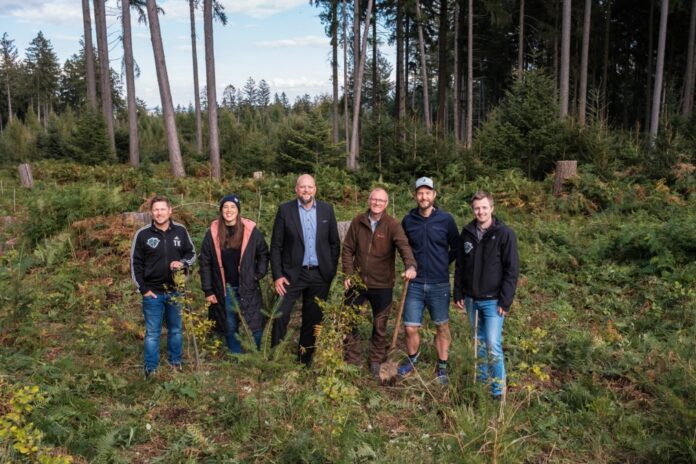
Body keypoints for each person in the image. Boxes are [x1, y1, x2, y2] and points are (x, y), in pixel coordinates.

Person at [342, 187, 418, 378]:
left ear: (386, 204)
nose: (376, 203)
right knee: (350, 321)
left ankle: (375, 360)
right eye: (374, 199)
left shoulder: (392, 225)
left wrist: (410, 266)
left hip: (382, 284)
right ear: (369, 201)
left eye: (381, 201)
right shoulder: (358, 221)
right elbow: (348, 249)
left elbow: (403, 246)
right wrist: (349, 274)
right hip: (357, 283)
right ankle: (353, 359)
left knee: (380, 323)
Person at [454, 191, 519, 399]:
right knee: (478, 345)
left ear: (492, 208)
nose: (480, 211)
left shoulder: (503, 234)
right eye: (476, 208)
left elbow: (512, 269)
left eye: (484, 207)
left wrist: (505, 300)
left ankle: (498, 390)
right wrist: (459, 293)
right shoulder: (467, 232)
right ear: (473, 210)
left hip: (493, 302)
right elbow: (460, 267)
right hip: (472, 299)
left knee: (492, 344)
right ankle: (480, 385)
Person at [270, 174, 340, 365]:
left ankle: (304, 359)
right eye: (303, 187)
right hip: (292, 274)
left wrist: (330, 269)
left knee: (313, 318)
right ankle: (274, 357)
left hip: (319, 274)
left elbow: (334, 243)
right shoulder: (285, 210)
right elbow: (276, 246)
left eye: (310, 187)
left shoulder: (327, 210)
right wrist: (277, 276)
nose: (306, 190)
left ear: (315, 189)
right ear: (296, 189)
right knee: (280, 314)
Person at [399, 177, 459, 384]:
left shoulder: (446, 220)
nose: (423, 197)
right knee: (410, 327)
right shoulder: (408, 221)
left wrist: (443, 262)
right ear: (415, 196)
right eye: (420, 193)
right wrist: (408, 266)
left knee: (441, 326)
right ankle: (413, 360)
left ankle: (442, 366)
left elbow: (457, 247)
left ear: (434, 195)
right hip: (414, 284)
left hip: (439, 283)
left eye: (427, 193)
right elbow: (402, 246)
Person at [131, 195, 196, 377]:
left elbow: (191, 254)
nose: (159, 213)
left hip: (176, 291)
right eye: (156, 210)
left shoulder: (181, 231)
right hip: (153, 293)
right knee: (153, 333)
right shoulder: (143, 235)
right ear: (151, 213)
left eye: (162, 209)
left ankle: (175, 362)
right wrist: (143, 289)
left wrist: (182, 263)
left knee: (175, 329)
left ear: (170, 211)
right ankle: (151, 368)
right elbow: (135, 264)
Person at [199, 194, 269, 353]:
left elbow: (263, 253)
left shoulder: (250, 231)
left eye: (232, 207)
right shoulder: (212, 233)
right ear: (221, 210)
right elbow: (205, 262)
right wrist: (208, 290)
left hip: (247, 285)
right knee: (230, 324)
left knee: (255, 323)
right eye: (225, 207)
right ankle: (236, 355)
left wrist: (258, 274)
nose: (229, 210)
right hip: (225, 288)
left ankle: (256, 355)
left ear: (238, 210)